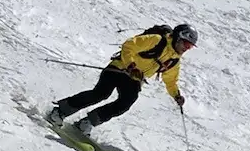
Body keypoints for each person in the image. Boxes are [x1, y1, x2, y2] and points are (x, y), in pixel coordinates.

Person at [46, 22, 197, 139]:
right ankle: (59, 112)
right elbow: (129, 45)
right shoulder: (156, 40)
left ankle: (87, 123)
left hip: (134, 79)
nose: (186, 48)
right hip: (120, 68)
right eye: (186, 44)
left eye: (189, 47)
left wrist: (176, 95)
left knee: (126, 102)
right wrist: (131, 65)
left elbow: (170, 81)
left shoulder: (174, 60)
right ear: (178, 37)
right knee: (100, 94)